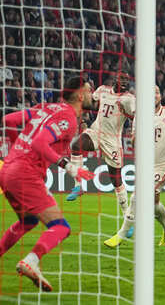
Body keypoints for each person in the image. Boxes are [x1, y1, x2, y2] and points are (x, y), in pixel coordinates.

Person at [0, 77, 94, 291]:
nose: (93, 96)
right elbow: (40, 143)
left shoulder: (45, 108)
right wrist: (70, 167)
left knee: (27, 221)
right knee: (60, 227)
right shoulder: (68, 117)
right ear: (81, 95)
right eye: (90, 91)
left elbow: (9, 120)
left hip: (8, 169)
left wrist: (16, 149)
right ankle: (31, 261)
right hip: (25, 174)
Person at [104, 86, 165, 248]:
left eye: (156, 92)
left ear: (161, 96)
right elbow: (134, 142)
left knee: (136, 196)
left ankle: (122, 233)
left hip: (164, 164)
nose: (153, 95)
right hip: (145, 166)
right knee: (153, 203)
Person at [67, 74, 135, 235]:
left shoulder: (129, 99)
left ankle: (128, 220)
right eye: (122, 79)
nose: (124, 82)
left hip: (113, 141)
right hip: (96, 132)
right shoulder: (103, 90)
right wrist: (83, 119)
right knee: (76, 145)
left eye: (127, 80)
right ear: (116, 80)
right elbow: (89, 103)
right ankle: (78, 186)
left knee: (116, 180)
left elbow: (136, 116)